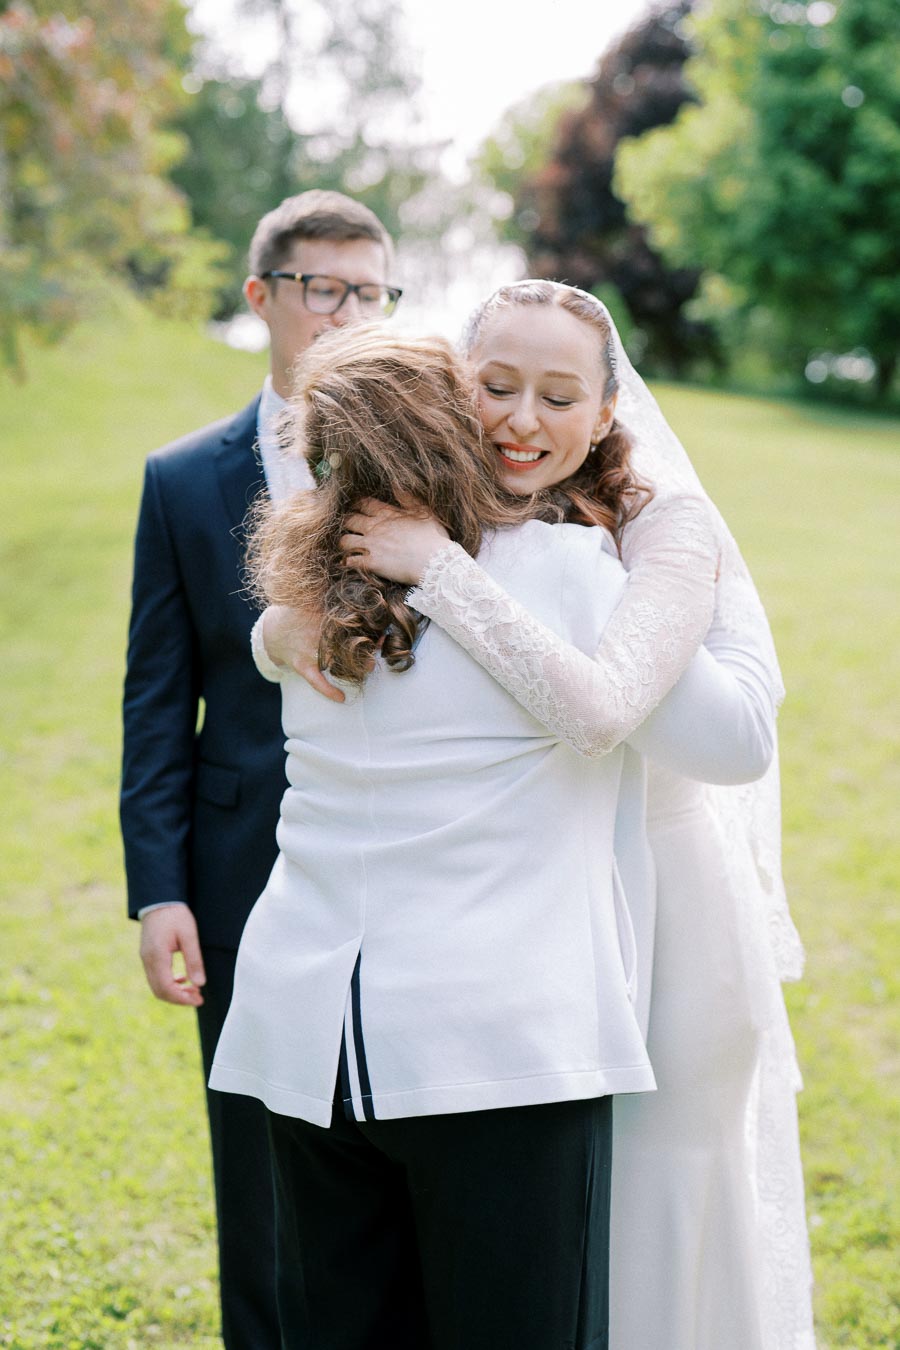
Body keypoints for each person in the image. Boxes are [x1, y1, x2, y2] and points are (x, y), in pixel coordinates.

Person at [209, 322, 778, 1350]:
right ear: (455, 416)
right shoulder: (570, 573)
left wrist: (271, 632)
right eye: (494, 390)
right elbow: (678, 725)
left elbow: (276, 642)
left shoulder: (303, 587)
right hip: (494, 1045)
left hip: (304, 1029)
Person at [119, 189, 402, 1349]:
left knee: (384, 1136)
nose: (345, 315)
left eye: (370, 292)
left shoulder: (422, 460)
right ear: (262, 299)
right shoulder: (184, 479)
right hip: (242, 867)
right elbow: (154, 697)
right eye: (320, 289)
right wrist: (160, 888)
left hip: (398, 855)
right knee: (253, 1148)